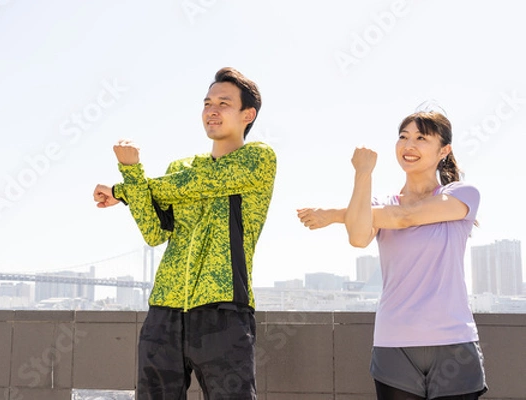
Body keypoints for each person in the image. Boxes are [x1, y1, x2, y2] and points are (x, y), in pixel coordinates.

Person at [94, 67, 276, 399]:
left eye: (224, 103)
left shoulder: (258, 158)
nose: (212, 110)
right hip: (163, 311)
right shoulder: (180, 167)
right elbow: (153, 232)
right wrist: (132, 173)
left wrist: (124, 187)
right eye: (208, 103)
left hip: (223, 312)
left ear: (247, 115)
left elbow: (196, 185)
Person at [298, 110, 487, 399]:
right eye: (403, 136)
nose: (409, 145)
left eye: (421, 138)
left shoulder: (462, 193)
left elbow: (406, 217)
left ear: (443, 150)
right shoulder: (380, 204)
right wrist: (363, 173)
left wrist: (334, 214)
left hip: (454, 342)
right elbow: (359, 238)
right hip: (393, 343)